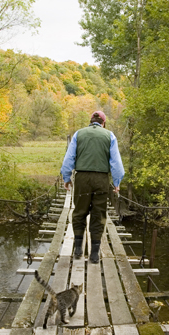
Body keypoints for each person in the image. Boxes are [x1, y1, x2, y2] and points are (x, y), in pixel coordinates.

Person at [60, 111, 124, 263]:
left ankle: (77, 249)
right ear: (103, 123)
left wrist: (66, 178)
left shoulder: (78, 134)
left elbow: (69, 158)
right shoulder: (110, 136)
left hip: (82, 178)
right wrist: (117, 182)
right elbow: (116, 164)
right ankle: (94, 254)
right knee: (98, 214)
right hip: (101, 179)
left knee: (79, 212)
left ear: (91, 121)